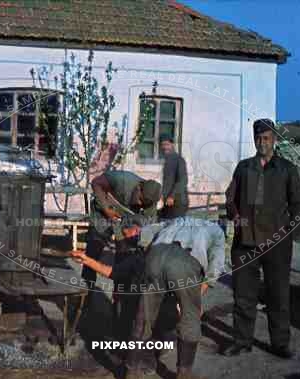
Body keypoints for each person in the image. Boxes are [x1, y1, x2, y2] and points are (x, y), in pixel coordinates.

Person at [73, 217, 226, 379]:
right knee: (190, 322)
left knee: (142, 320)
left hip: (156, 256)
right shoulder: (216, 231)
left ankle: (130, 372)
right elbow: (214, 269)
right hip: (186, 263)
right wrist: (196, 299)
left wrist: (87, 260)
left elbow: (140, 240)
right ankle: (183, 375)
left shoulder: (172, 222)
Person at [221, 118, 300, 359]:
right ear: (255, 139)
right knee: (243, 295)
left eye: (267, 138)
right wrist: (235, 215)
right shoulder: (244, 167)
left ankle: (280, 343)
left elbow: (299, 204)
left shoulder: (287, 169)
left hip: (276, 244)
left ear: (275, 140)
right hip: (245, 242)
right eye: (259, 138)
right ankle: (241, 340)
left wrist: (291, 234)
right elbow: (231, 198)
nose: (262, 142)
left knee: (278, 295)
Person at [83, 170, 161, 287]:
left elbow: (147, 227)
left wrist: (134, 229)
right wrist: (106, 208)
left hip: (126, 219)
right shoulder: (123, 180)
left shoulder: (150, 203)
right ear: (139, 187)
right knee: (94, 247)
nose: (140, 204)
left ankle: (119, 293)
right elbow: (96, 182)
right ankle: (87, 287)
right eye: (139, 199)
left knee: (125, 253)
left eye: (143, 203)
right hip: (103, 213)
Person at [160, 135, 189, 219]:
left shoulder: (179, 160)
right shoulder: (167, 160)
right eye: (163, 145)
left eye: (167, 144)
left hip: (178, 202)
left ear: (172, 145)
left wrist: (172, 196)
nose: (165, 147)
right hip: (168, 202)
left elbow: (183, 181)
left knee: (176, 228)